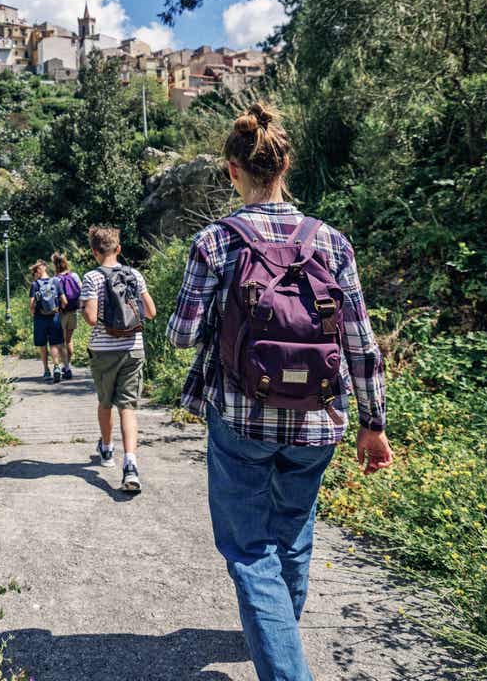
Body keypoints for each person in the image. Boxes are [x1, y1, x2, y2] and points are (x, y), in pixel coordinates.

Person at [166, 101, 393, 681]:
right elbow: (361, 343)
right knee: (292, 534)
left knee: (249, 551)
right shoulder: (332, 242)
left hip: (241, 419)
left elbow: (182, 335)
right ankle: (277, 635)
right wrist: (374, 423)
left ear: (231, 170)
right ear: (285, 165)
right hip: (319, 419)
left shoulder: (216, 242)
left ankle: (284, 664)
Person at [79, 225, 156, 493]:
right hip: (133, 348)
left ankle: (108, 449)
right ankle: (131, 464)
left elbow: (90, 319)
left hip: (103, 350)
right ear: (118, 248)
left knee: (105, 402)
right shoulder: (134, 274)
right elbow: (151, 311)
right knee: (128, 407)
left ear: (94, 251)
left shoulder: (91, 277)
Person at [28, 260, 67, 383]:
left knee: (43, 345)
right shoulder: (56, 281)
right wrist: (58, 309)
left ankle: (46, 370)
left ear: (38, 270)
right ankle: (56, 366)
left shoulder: (35, 284)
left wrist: (34, 312)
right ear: (45, 268)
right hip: (54, 317)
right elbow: (64, 301)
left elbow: (31, 305)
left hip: (40, 318)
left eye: (35, 270)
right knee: (55, 343)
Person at [51, 252, 82, 381]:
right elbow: (81, 291)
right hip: (73, 312)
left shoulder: (55, 279)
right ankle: (67, 366)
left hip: (61, 313)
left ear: (55, 264)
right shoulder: (74, 275)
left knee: (60, 342)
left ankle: (66, 367)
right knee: (69, 340)